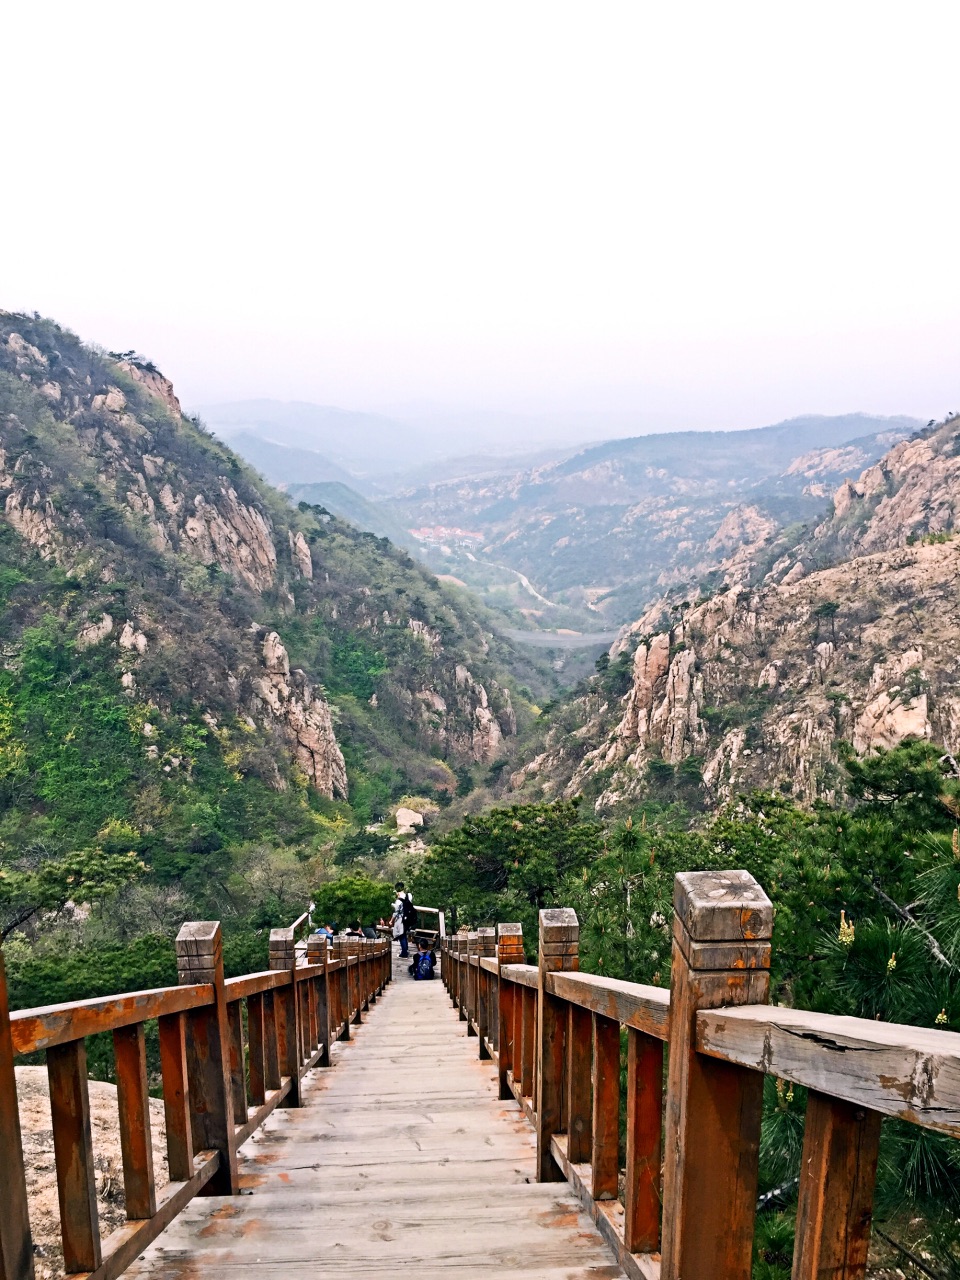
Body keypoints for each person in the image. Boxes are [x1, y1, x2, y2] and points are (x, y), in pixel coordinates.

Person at [391, 881, 414, 958]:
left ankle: (404, 953)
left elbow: (396, 912)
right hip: (408, 918)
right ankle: (406, 950)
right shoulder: (409, 896)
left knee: (401, 935)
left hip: (401, 920)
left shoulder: (398, 901)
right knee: (404, 934)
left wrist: (391, 920)